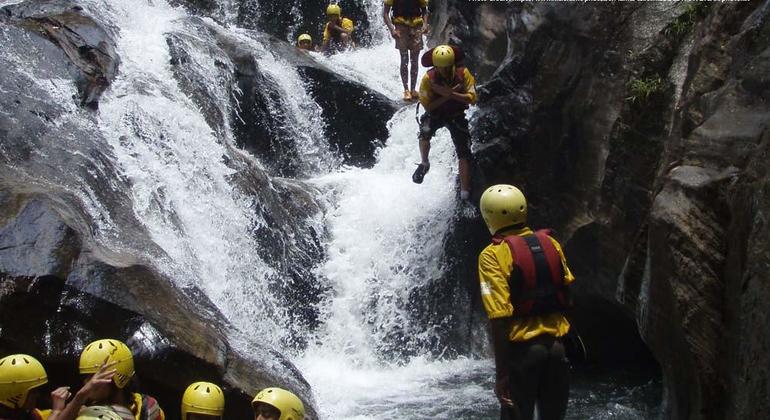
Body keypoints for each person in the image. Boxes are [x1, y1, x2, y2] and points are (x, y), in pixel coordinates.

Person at [477, 185, 574, 420]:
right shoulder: (552, 244)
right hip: (557, 351)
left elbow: (499, 317)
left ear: (488, 215)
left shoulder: (491, 255)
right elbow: (568, 294)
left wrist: (501, 376)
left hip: (524, 355)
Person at [413, 45, 476, 201]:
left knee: (464, 152)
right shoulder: (429, 78)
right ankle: (425, 162)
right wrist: (447, 96)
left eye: (448, 67)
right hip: (436, 113)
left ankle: (464, 192)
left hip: (456, 114)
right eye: (441, 68)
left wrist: (451, 94)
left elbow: (472, 98)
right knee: (425, 132)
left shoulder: (463, 74)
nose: (445, 70)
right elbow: (428, 106)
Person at [50, 339, 165, 420]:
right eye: (86, 377)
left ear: (116, 378)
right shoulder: (86, 413)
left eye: (94, 377)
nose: (87, 383)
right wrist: (81, 395)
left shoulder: (149, 407)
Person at [383, 0, 429, 101]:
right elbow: (385, 13)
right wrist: (392, 29)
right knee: (404, 59)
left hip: (416, 26)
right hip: (401, 26)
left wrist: (425, 24)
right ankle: (406, 89)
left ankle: (413, 89)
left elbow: (424, 10)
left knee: (415, 60)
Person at [0, 354, 62, 419]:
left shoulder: (28, 414)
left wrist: (74, 402)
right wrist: (56, 411)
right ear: (18, 395)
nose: (37, 395)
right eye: (33, 391)